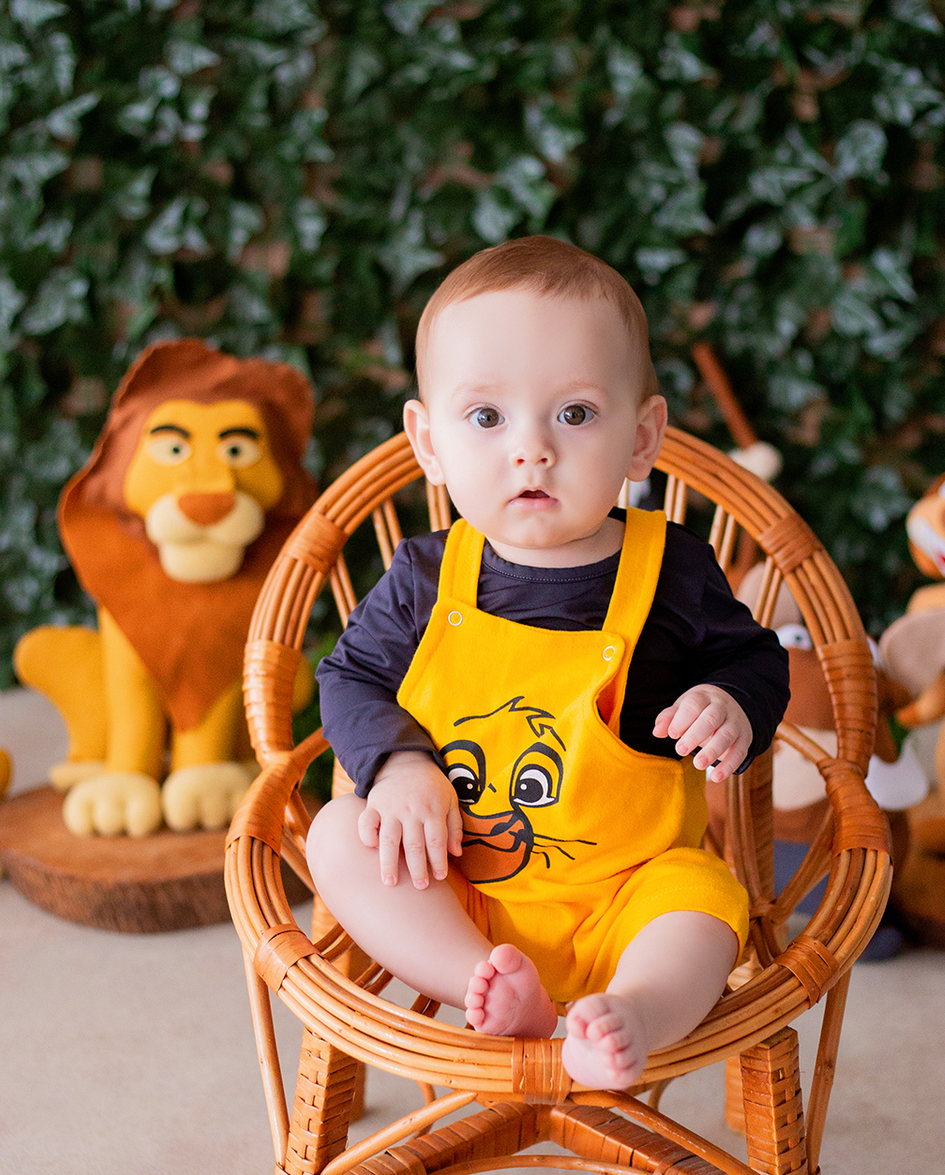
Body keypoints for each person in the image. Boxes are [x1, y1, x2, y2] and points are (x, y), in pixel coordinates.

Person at [306, 237, 789, 1090]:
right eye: (487, 418)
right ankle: (483, 987)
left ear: (642, 438)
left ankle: (632, 1012)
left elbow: (753, 657)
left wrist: (730, 700)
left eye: (574, 414)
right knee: (337, 835)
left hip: (629, 892)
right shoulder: (425, 578)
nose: (532, 450)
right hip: (459, 888)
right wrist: (398, 765)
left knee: (708, 906)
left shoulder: (671, 568)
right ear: (428, 441)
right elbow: (348, 678)